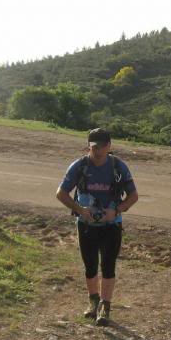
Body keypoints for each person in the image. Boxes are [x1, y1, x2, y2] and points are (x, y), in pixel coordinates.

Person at [56, 128, 138, 325]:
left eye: (102, 146)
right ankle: (93, 301)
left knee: (108, 266)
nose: (98, 151)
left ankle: (105, 306)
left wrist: (117, 210)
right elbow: (61, 193)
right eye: (94, 147)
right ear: (88, 146)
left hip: (112, 225)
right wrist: (79, 209)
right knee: (90, 265)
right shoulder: (79, 166)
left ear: (109, 146)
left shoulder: (118, 167)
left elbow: (133, 196)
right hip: (86, 225)